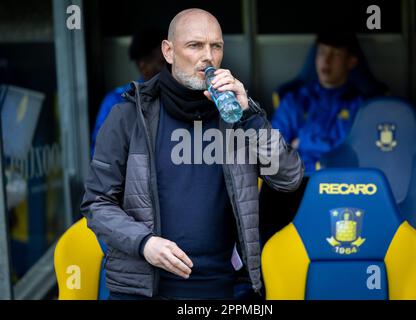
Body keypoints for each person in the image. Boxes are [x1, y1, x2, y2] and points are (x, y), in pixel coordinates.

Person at [81, 8, 303, 300]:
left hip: (223, 287)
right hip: (144, 290)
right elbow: (97, 204)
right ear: (169, 52)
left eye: (216, 46)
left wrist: (250, 115)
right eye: (195, 45)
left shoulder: (237, 114)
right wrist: (144, 243)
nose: (208, 55)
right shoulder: (128, 116)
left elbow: (289, 178)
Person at [271, 27, 366, 174]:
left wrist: (302, 142)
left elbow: (355, 153)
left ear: (351, 61)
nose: (326, 60)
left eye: (335, 53)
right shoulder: (294, 101)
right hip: (297, 182)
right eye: (321, 52)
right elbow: (273, 150)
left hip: (341, 185)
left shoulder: (361, 106)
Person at [90, 28, 165, 157]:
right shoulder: (118, 99)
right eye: (140, 61)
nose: (144, 66)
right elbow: (102, 152)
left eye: (151, 58)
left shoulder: (180, 94)